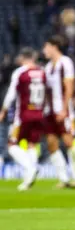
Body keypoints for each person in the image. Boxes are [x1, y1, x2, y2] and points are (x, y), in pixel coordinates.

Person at [0, 48, 46, 191]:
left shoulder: (20, 72)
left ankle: (30, 168)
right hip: (39, 113)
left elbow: (12, 94)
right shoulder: (42, 72)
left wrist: (3, 110)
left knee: (12, 145)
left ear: (25, 57)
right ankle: (29, 177)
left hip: (23, 115)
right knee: (32, 144)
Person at [42, 36, 75, 189]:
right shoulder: (47, 66)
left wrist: (65, 109)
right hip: (49, 111)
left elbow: (69, 86)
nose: (44, 51)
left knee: (68, 141)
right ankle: (63, 178)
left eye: (46, 47)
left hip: (63, 109)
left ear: (54, 46)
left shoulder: (65, 62)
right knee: (51, 143)